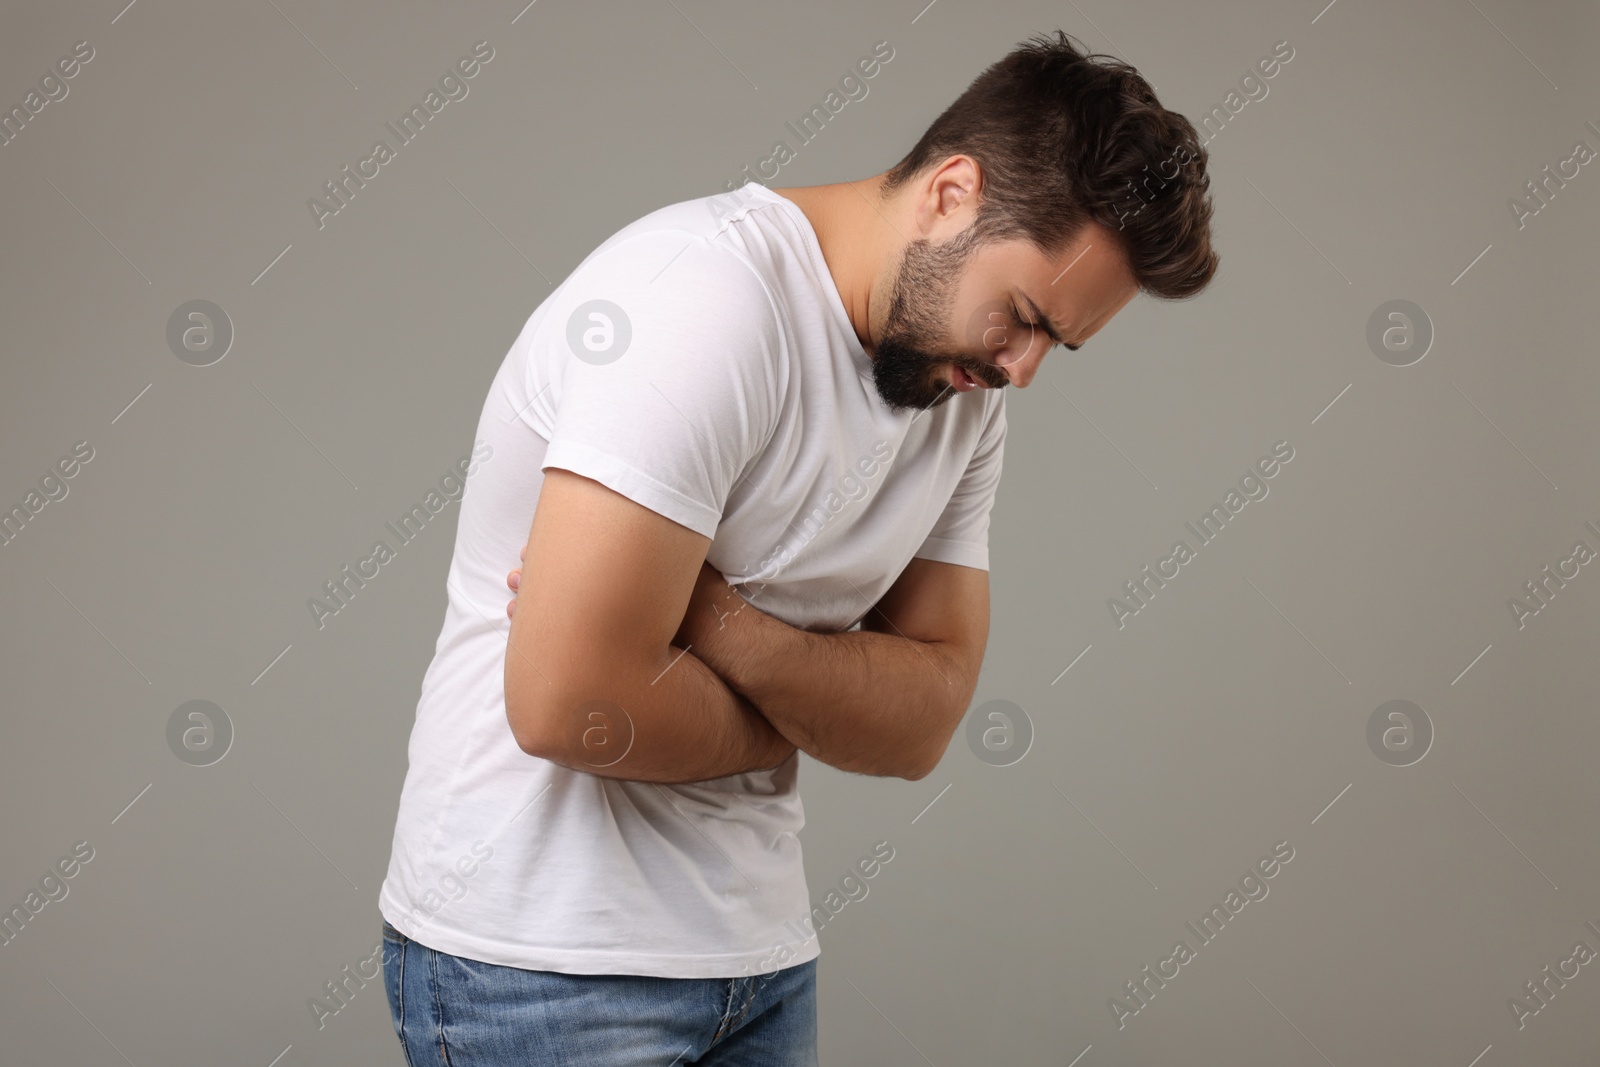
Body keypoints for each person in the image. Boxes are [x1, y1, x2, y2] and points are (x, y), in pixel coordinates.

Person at [378, 28, 1217, 1066]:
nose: (1022, 368)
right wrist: (806, 713)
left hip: (756, 959)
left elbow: (922, 723)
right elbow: (571, 705)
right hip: (538, 962)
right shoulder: (695, 305)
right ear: (952, 192)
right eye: (1023, 317)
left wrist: (719, 623)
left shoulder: (963, 399)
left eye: (1057, 343)